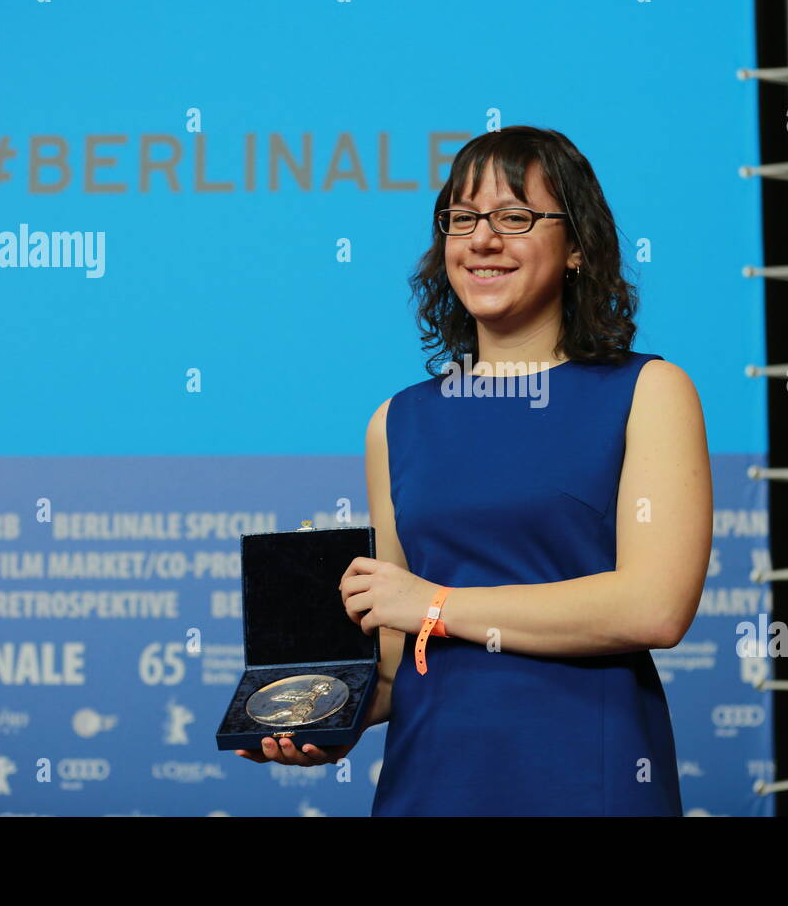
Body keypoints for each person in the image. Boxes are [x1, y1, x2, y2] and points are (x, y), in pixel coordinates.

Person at [237, 125, 713, 816]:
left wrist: (434, 604)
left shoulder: (649, 392)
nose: (482, 239)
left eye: (515, 217)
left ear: (577, 245)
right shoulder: (396, 422)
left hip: (587, 778)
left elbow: (655, 607)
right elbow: (401, 665)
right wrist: (323, 717)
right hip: (431, 781)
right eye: (462, 219)